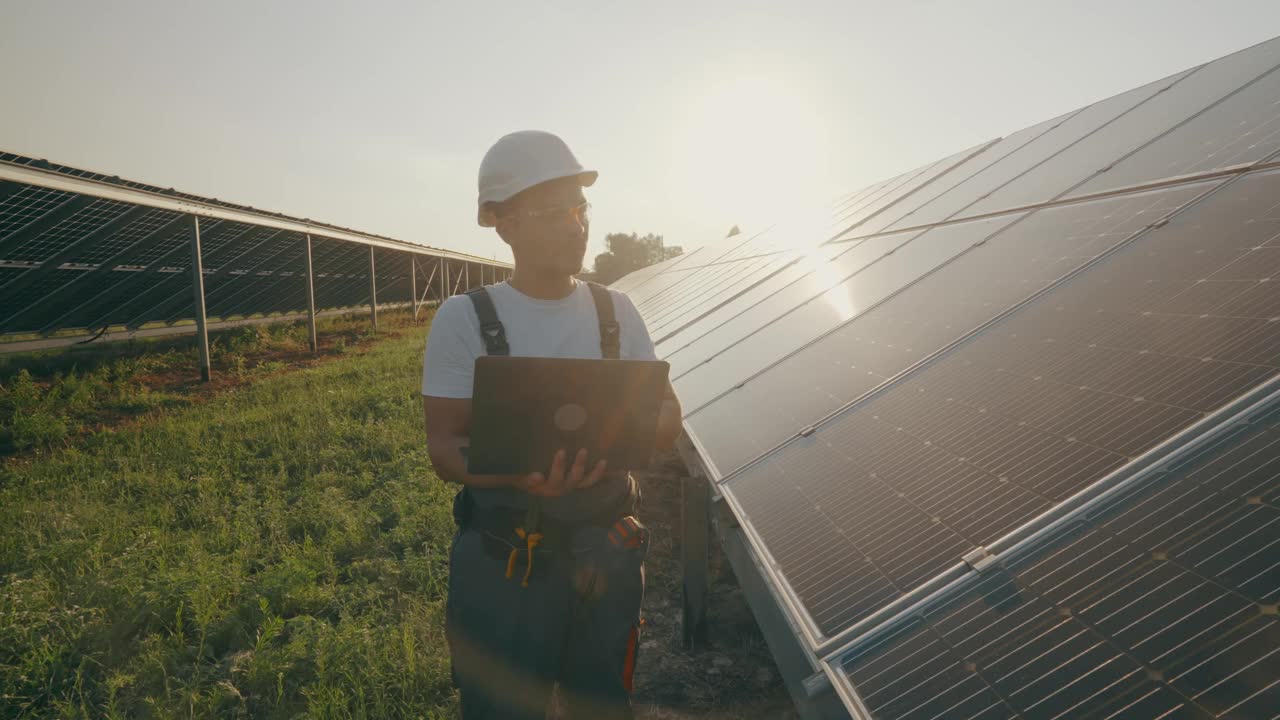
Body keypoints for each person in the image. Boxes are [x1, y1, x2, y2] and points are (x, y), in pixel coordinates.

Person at [421, 130, 683, 720]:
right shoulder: (465, 320)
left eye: (579, 209)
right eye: (551, 212)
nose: (575, 226)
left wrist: (615, 442)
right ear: (502, 222)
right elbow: (444, 446)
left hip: (604, 549)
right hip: (506, 556)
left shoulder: (616, 312)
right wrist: (524, 477)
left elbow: (667, 414)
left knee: (601, 704)